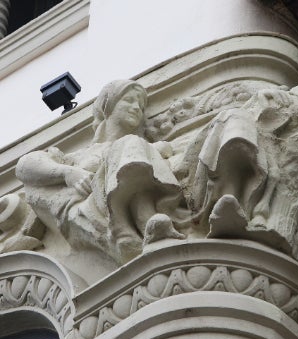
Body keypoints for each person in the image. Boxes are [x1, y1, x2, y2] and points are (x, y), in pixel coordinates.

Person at [16, 80, 184, 264]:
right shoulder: (77, 156)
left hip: (115, 211)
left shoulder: (141, 146)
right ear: (107, 106)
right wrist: (67, 173)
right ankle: (141, 225)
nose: (136, 108)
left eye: (141, 106)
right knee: (129, 143)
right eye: (128, 100)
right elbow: (25, 165)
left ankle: (145, 224)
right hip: (87, 213)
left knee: (131, 143)